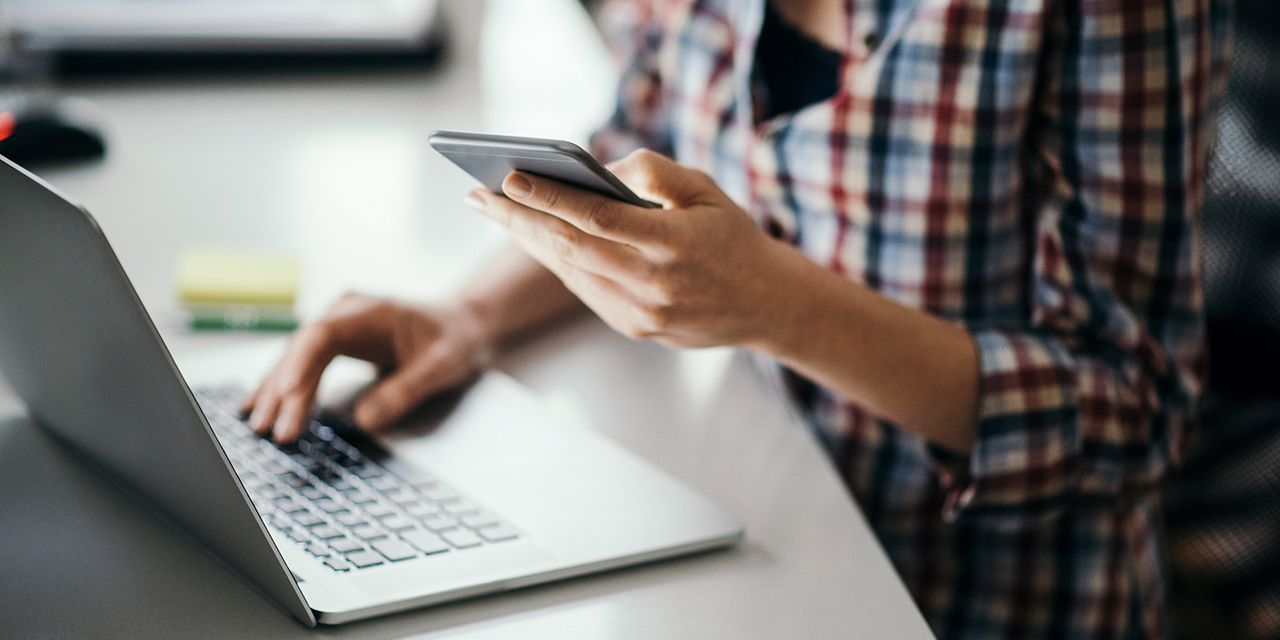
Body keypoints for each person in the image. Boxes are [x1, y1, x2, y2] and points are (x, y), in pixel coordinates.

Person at [241, 0, 1230, 637]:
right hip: (750, 542)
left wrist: (781, 307)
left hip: (976, 599)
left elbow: (1133, 408)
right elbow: (640, 145)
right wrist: (464, 317)